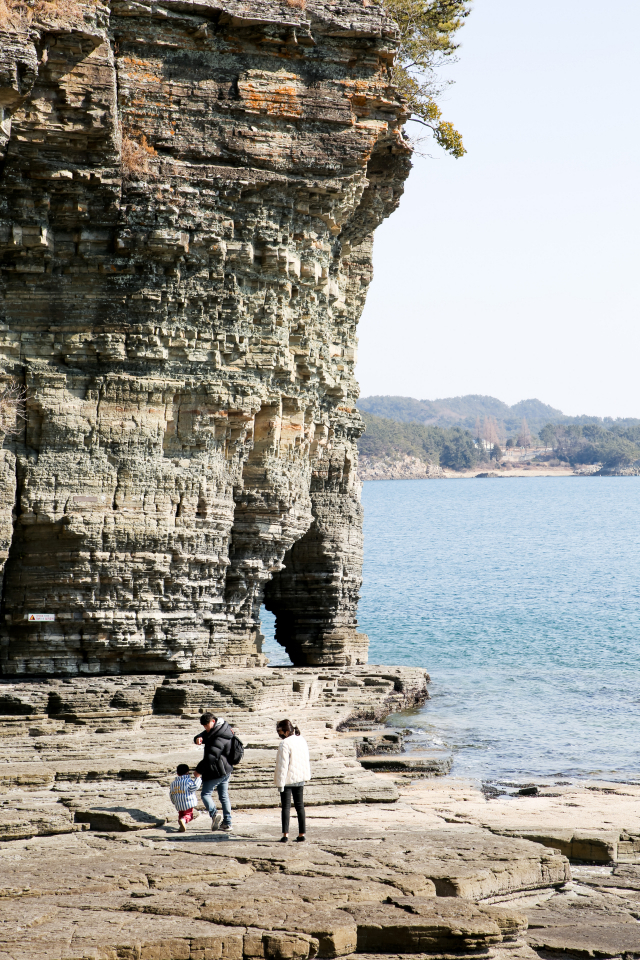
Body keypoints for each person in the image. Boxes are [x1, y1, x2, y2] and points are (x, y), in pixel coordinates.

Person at [194, 713, 234, 832]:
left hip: (216, 770)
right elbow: (207, 734)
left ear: (212, 721)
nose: (205, 728)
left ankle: (214, 814)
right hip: (226, 769)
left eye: (206, 725)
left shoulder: (219, 736)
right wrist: (198, 737)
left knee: (205, 794)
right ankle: (227, 823)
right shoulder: (222, 728)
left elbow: (211, 757)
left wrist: (198, 771)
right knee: (224, 796)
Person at [274, 719, 311, 842]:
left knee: (286, 807)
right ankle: (302, 834)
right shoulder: (302, 739)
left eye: (279, 731)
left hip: (288, 779)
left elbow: (282, 766)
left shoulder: (284, 743)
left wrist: (280, 783)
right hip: (300, 778)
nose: (278, 734)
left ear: (286, 731)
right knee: (300, 806)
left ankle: (285, 835)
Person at [169, 763, 201, 832]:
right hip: (188, 803)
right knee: (189, 815)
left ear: (177, 773)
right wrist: (198, 778)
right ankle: (183, 820)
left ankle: (181, 825)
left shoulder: (173, 783)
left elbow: (171, 794)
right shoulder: (188, 781)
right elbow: (195, 787)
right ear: (187, 772)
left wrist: (174, 802)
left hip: (178, 804)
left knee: (181, 814)